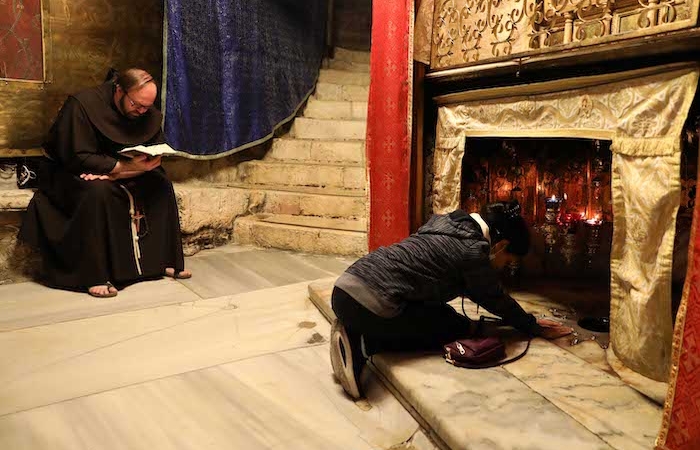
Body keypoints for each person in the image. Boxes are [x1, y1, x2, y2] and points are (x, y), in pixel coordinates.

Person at [330, 200, 573, 399]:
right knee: (451, 326)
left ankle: (353, 325)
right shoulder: (472, 250)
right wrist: (531, 325)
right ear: (501, 245)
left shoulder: (446, 221)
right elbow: (495, 298)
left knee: (440, 312)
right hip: (369, 304)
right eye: (508, 261)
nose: (505, 267)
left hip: (344, 289)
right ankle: (363, 343)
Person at [20, 68, 191, 298]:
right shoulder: (82, 105)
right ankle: (94, 275)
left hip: (117, 170)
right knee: (97, 191)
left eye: (146, 107)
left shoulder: (143, 111)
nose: (141, 111)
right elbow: (77, 157)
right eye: (136, 104)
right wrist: (119, 169)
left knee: (161, 184)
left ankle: (163, 261)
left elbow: (153, 151)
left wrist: (120, 172)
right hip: (70, 172)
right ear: (119, 90)